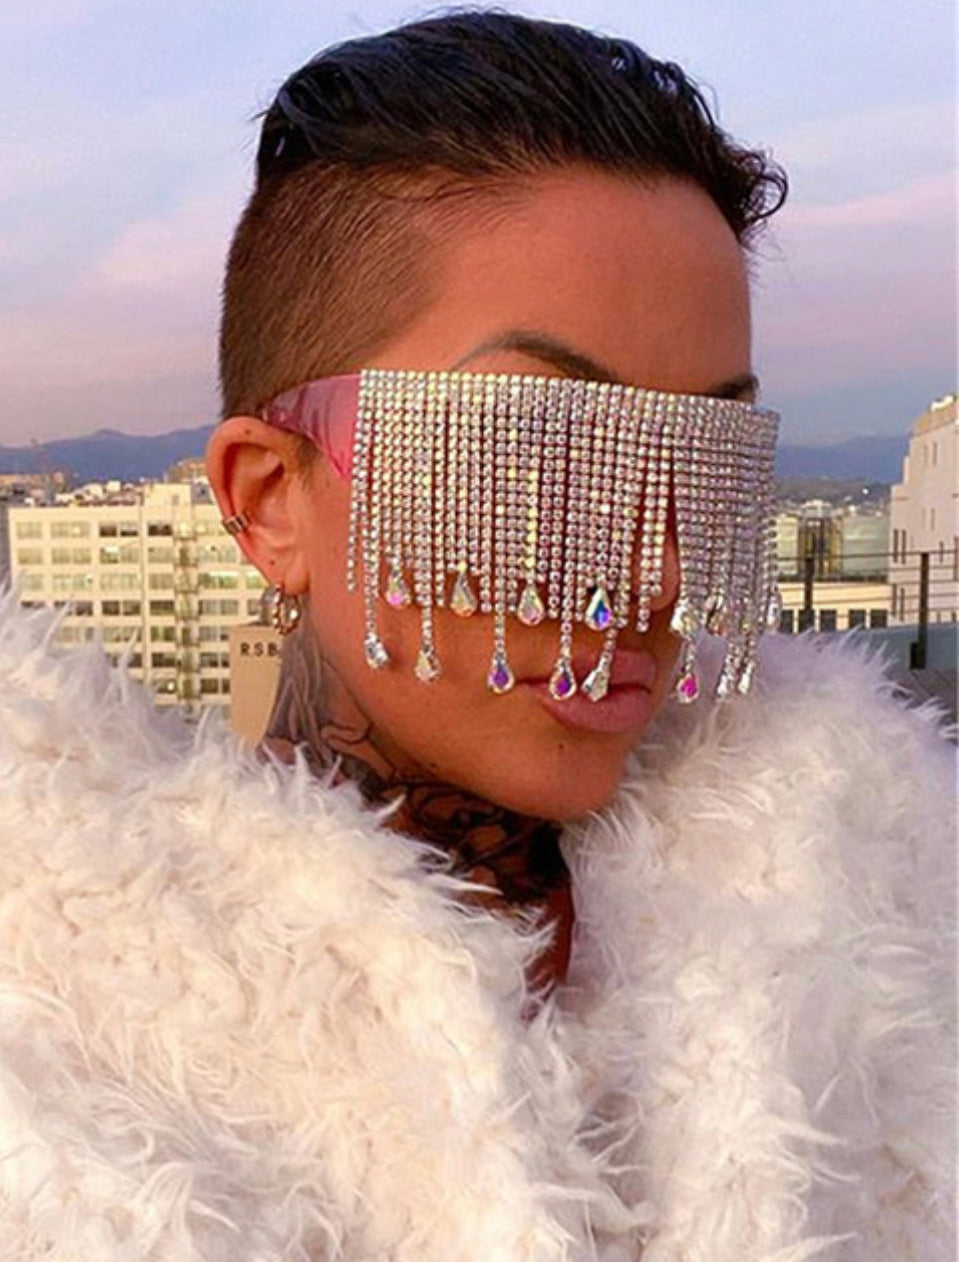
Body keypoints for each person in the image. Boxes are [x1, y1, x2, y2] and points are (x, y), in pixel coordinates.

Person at [0, 11, 952, 1260]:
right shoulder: (62, 1069)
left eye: (706, 459)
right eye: (533, 454)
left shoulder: (874, 929)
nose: (655, 573)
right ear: (269, 498)